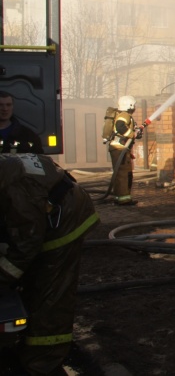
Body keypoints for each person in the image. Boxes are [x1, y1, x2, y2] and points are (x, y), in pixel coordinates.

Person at [0, 153, 99, 375]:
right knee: (33, 280)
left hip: (65, 222)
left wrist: (3, 279)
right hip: (49, 212)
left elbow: (26, 245)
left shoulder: (15, 188)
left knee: (51, 296)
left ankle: (42, 362)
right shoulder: (6, 167)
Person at [107, 95, 141, 206]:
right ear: (130, 105)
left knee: (119, 173)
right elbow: (120, 126)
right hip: (119, 148)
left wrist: (136, 133)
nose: (135, 107)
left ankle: (119, 197)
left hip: (119, 148)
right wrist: (132, 134)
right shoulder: (125, 115)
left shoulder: (123, 115)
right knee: (124, 174)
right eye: (134, 105)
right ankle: (124, 199)